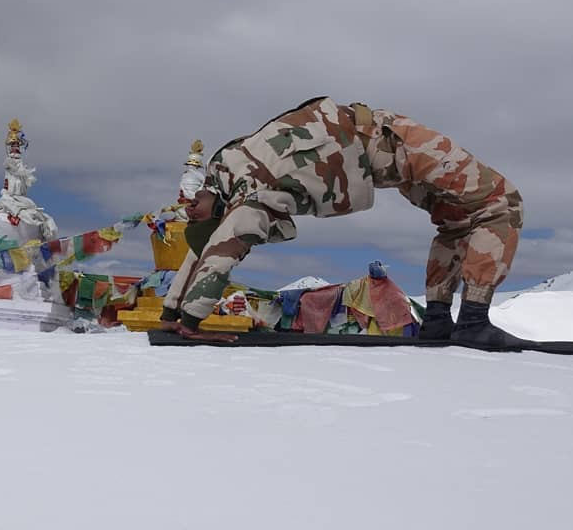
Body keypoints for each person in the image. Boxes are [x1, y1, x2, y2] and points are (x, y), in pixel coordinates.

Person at [160, 97, 528, 348]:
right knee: (500, 203)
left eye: (193, 207)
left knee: (464, 218)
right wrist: (180, 320)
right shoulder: (240, 183)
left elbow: (213, 245)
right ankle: (471, 321)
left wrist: (179, 315)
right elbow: (218, 246)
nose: (190, 210)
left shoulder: (230, 176)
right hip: (388, 149)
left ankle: (440, 321)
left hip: (386, 143)